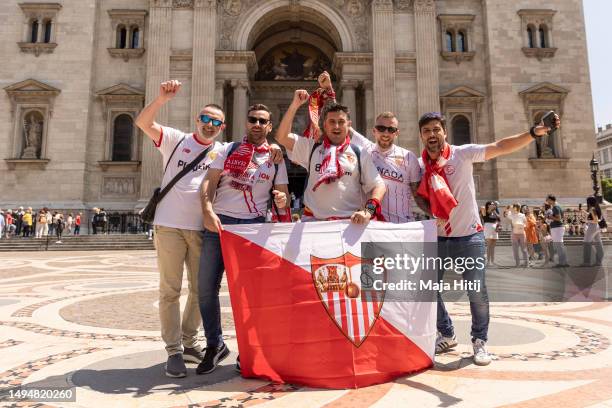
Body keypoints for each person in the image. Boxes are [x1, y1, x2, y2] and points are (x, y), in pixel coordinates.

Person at [416, 111, 560, 366]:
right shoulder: (420, 165)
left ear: (444, 132)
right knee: (427, 289)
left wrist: (532, 133)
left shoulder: (462, 153)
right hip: (438, 238)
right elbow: (415, 193)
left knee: (476, 293)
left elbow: (500, 146)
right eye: (427, 131)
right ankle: (447, 334)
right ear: (421, 136)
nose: (432, 135)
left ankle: (479, 341)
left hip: (469, 236)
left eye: (436, 129)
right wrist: (429, 212)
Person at [135, 79, 228, 378]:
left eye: (216, 121)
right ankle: (173, 349)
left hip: (202, 230)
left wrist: (275, 152)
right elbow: (142, 122)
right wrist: (161, 99)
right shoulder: (175, 139)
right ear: (196, 120)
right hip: (169, 226)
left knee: (202, 291)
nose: (210, 125)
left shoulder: (223, 152)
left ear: (222, 127)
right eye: (205, 119)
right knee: (170, 290)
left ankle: (190, 341)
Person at [198, 103, 290, 375]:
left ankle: (249, 349)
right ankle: (214, 344)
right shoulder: (226, 150)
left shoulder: (275, 158)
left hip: (253, 228)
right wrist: (206, 210)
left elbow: (282, 196)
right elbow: (209, 182)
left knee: (250, 295)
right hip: (220, 225)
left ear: (270, 127)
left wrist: (283, 200)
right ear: (246, 122)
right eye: (253, 120)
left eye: (263, 121)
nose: (257, 125)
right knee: (205, 289)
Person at [314, 72, 427, 222]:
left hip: (402, 226)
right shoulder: (365, 149)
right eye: (381, 128)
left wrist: (435, 213)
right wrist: (329, 91)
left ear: (397, 133)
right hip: (370, 227)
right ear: (374, 131)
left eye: (391, 129)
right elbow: (342, 122)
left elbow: (417, 195)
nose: (385, 133)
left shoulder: (408, 157)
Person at [275, 89, 386, 223]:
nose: (337, 126)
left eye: (341, 121)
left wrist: (368, 211)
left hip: (349, 224)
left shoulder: (360, 153)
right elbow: (282, 137)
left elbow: (379, 186)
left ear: (348, 125)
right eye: (332, 122)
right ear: (325, 125)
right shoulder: (311, 148)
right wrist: (295, 105)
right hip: (313, 224)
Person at [546, 194, 569, 267]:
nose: (547, 201)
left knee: (559, 245)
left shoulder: (555, 207)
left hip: (557, 227)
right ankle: (563, 262)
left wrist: (550, 217)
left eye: (547, 200)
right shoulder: (558, 206)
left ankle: (563, 263)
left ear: (550, 199)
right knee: (559, 245)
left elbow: (558, 218)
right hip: (558, 227)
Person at [581, 196, 604, 266]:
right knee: (598, 243)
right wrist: (584, 212)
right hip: (596, 227)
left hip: (592, 227)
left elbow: (595, 220)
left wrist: (586, 220)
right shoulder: (595, 208)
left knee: (586, 243)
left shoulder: (592, 209)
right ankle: (599, 261)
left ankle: (586, 262)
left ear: (589, 202)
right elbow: (595, 218)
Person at [482, 201, 500, 266]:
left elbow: (498, 217)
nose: (493, 205)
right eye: (491, 204)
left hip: (494, 228)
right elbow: (485, 216)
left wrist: (494, 210)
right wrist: (490, 209)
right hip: (488, 227)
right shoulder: (484, 209)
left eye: (493, 204)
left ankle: (493, 261)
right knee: (489, 246)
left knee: (493, 247)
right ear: (488, 205)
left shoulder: (495, 210)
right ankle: (488, 261)